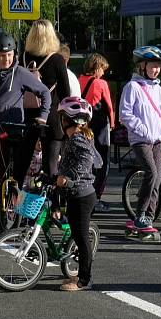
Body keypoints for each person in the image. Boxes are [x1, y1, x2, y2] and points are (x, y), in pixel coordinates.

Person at [0, 33, 50, 227]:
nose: (6, 59)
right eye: (2, 55)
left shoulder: (19, 73)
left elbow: (44, 92)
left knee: (9, 175)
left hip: (12, 131)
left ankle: (7, 215)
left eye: (9, 55)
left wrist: (42, 116)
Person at [119, 46, 161, 239]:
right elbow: (125, 114)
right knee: (151, 172)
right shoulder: (132, 87)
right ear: (141, 66)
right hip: (140, 139)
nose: (156, 69)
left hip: (157, 139)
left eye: (158, 66)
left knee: (157, 178)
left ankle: (149, 216)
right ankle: (140, 214)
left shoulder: (157, 88)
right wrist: (144, 131)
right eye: (152, 65)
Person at [56, 96, 102, 292]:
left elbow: (88, 159)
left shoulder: (78, 138)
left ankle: (84, 280)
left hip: (82, 195)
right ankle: (78, 272)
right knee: (76, 234)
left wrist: (71, 177)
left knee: (82, 238)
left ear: (67, 120)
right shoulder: (80, 137)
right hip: (78, 194)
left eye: (62, 118)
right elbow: (98, 161)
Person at [22, 19, 70, 175]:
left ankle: (22, 197)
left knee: (23, 164)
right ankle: (51, 198)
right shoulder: (57, 60)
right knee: (50, 165)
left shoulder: (22, 58)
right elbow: (65, 93)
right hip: (51, 117)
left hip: (27, 116)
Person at [78, 53, 115, 212]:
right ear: (96, 68)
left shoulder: (79, 80)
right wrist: (113, 124)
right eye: (102, 69)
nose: (103, 73)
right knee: (102, 161)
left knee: (86, 160)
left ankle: (83, 193)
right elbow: (108, 106)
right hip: (99, 126)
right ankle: (97, 196)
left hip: (83, 126)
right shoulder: (101, 83)